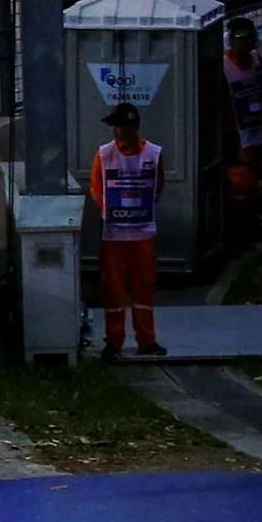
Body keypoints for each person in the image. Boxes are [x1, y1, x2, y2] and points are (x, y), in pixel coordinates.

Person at [89, 101, 166, 359]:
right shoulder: (104, 154)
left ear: (132, 127)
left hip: (142, 235)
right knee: (113, 289)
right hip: (114, 236)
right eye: (114, 127)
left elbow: (158, 186)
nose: (115, 132)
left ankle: (147, 340)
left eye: (119, 127)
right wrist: (107, 209)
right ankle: (114, 341)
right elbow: (96, 188)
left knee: (144, 287)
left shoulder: (153, 154)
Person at [221, 17, 262, 237]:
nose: (248, 42)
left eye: (251, 37)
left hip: (258, 126)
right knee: (244, 180)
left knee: (259, 175)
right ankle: (244, 227)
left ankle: (257, 218)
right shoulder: (224, 66)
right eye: (243, 39)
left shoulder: (257, 60)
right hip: (239, 130)